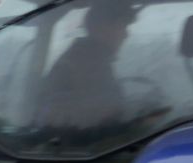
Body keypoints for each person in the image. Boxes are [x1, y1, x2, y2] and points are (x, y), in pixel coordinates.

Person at [37, 0, 137, 130]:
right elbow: (100, 119)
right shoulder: (84, 65)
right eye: (121, 26)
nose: (126, 35)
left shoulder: (93, 59)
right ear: (102, 27)